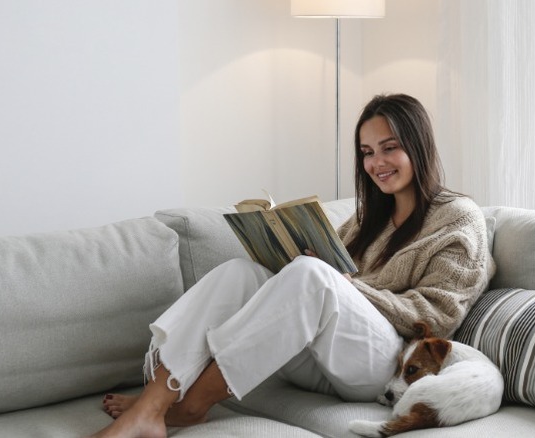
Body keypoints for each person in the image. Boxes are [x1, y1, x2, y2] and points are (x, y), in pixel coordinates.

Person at [90, 93, 495, 438]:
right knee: (241, 274)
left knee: (312, 275)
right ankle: (155, 403)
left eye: (389, 147)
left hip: (387, 364)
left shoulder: (458, 219)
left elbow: (437, 319)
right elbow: (327, 287)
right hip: (327, 356)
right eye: (367, 152)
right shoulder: (366, 217)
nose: (377, 163)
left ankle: (192, 406)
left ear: (419, 146)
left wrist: (341, 282)